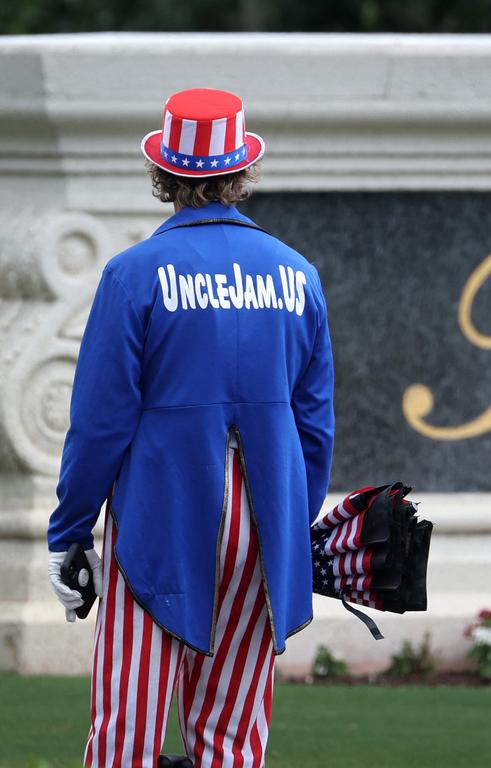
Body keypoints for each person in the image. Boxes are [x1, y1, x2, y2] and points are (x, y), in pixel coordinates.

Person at [45, 87, 335, 767]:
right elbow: (315, 427)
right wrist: (295, 525)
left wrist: (68, 534)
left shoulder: (132, 274)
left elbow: (98, 423)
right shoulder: (299, 276)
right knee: (232, 741)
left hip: (162, 515)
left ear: (163, 174)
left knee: (129, 738)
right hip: (264, 523)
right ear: (243, 172)